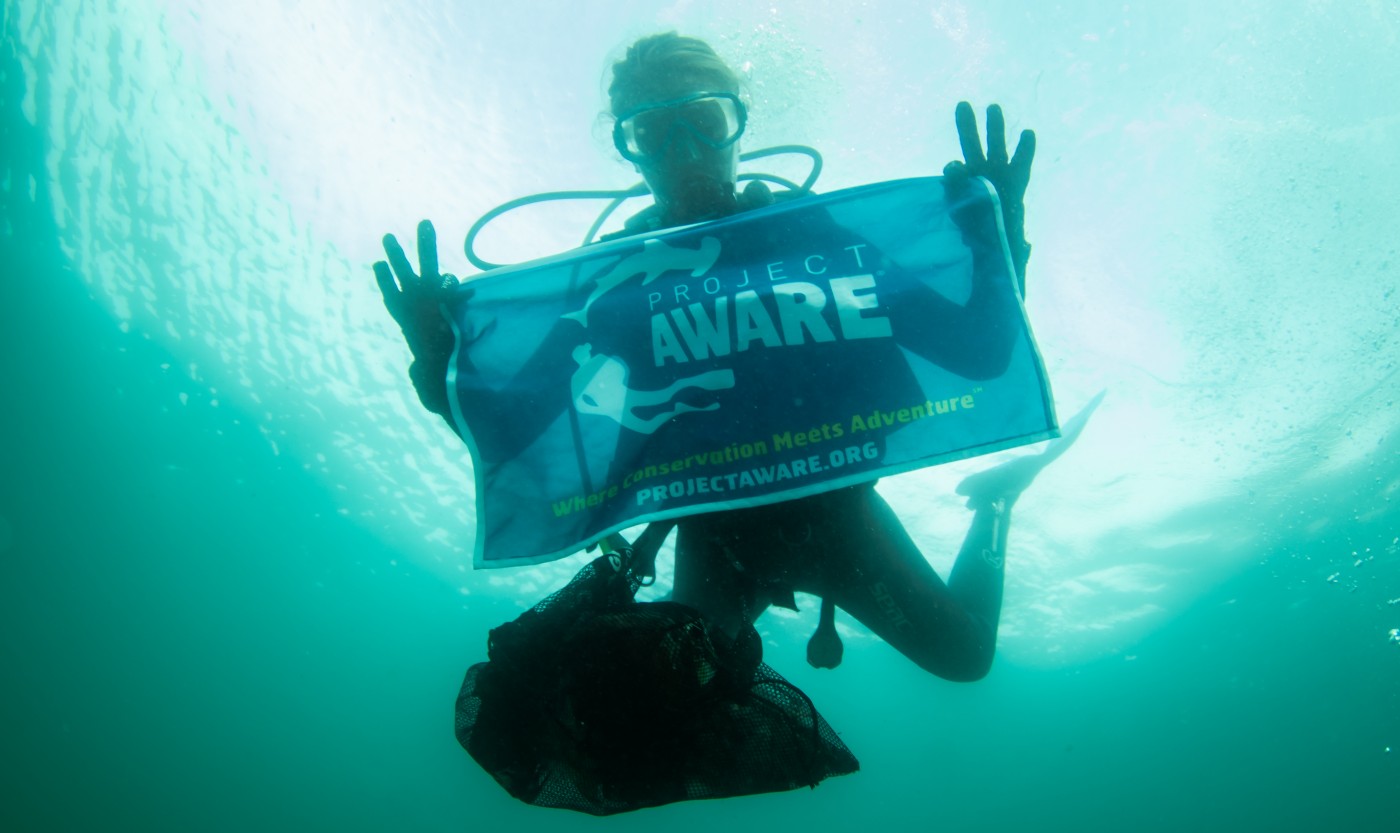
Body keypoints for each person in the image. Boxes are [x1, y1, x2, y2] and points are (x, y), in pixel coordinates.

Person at [374, 32, 1081, 683]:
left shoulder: (815, 238)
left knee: (964, 657)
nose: (683, 151)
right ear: (630, 151)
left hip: (836, 515)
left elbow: (981, 353)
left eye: (704, 123)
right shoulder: (616, 286)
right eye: (653, 132)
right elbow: (508, 438)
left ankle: (993, 505)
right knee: (674, 697)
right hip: (711, 535)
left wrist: (994, 238)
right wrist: (439, 367)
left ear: (737, 126)